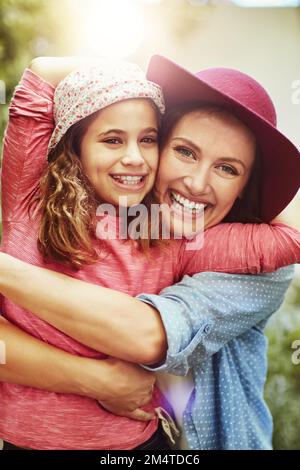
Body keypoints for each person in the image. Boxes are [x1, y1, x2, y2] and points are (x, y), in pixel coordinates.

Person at [0, 55, 300, 450]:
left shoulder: (174, 238)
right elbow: (39, 75)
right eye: (112, 139)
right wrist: (134, 77)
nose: (134, 157)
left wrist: (266, 170)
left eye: (147, 139)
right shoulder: (29, 200)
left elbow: (290, 237)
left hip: (136, 447)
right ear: (77, 143)